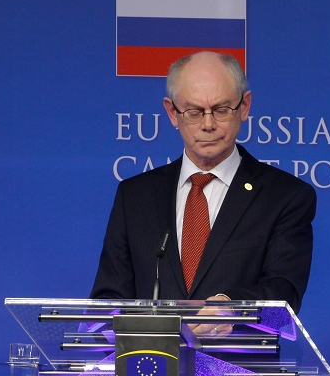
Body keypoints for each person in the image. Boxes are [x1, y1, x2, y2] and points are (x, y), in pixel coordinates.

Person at [90, 51, 317, 314]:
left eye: (221, 110)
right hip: (153, 355)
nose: (208, 124)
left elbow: (284, 294)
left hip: (239, 354)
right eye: (195, 112)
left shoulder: (284, 197)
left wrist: (231, 307)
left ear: (244, 107)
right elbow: (108, 299)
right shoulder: (134, 196)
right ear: (172, 113)